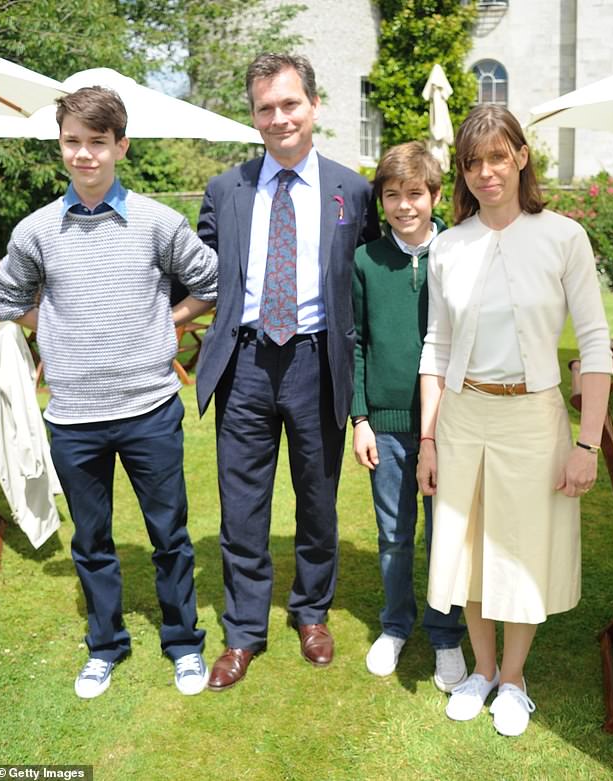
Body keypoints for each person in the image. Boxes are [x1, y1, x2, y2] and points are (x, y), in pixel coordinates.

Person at [0, 87, 218, 699]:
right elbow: (6, 300)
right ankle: (106, 646)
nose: (85, 155)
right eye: (73, 142)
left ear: (120, 145)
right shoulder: (37, 230)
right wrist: (59, 327)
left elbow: (211, 283)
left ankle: (182, 644)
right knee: (91, 542)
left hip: (148, 409)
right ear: (61, 145)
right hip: (73, 416)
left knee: (169, 537)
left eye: (98, 143)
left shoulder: (158, 221)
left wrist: (161, 323)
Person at [416, 104, 612, 736]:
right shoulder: (448, 245)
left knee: (521, 551)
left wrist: (587, 443)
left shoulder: (563, 237)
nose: (485, 172)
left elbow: (597, 342)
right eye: (473, 162)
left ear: (521, 156)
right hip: (463, 416)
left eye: (497, 157)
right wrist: (427, 440)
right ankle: (482, 668)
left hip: (535, 419)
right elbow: (436, 349)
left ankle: (514, 678)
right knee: (470, 550)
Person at [196, 53, 379, 690]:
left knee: (318, 499)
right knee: (241, 505)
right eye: (265, 108)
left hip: (316, 361)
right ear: (253, 115)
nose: (279, 118)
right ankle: (244, 631)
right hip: (243, 363)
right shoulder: (225, 190)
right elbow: (199, 278)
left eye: (290, 104)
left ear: (314, 105)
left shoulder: (352, 192)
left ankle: (311, 612)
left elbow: (369, 282)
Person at [351, 141, 467, 687]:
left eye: (415, 194)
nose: (403, 205)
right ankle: (396, 625)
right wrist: (360, 419)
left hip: (453, 424)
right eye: (392, 195)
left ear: (435, 195)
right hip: (388, 425)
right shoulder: (366, 260)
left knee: (444, 534)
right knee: (394, 534)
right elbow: (355, 344)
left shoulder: (460, 253)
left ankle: (446, 635)